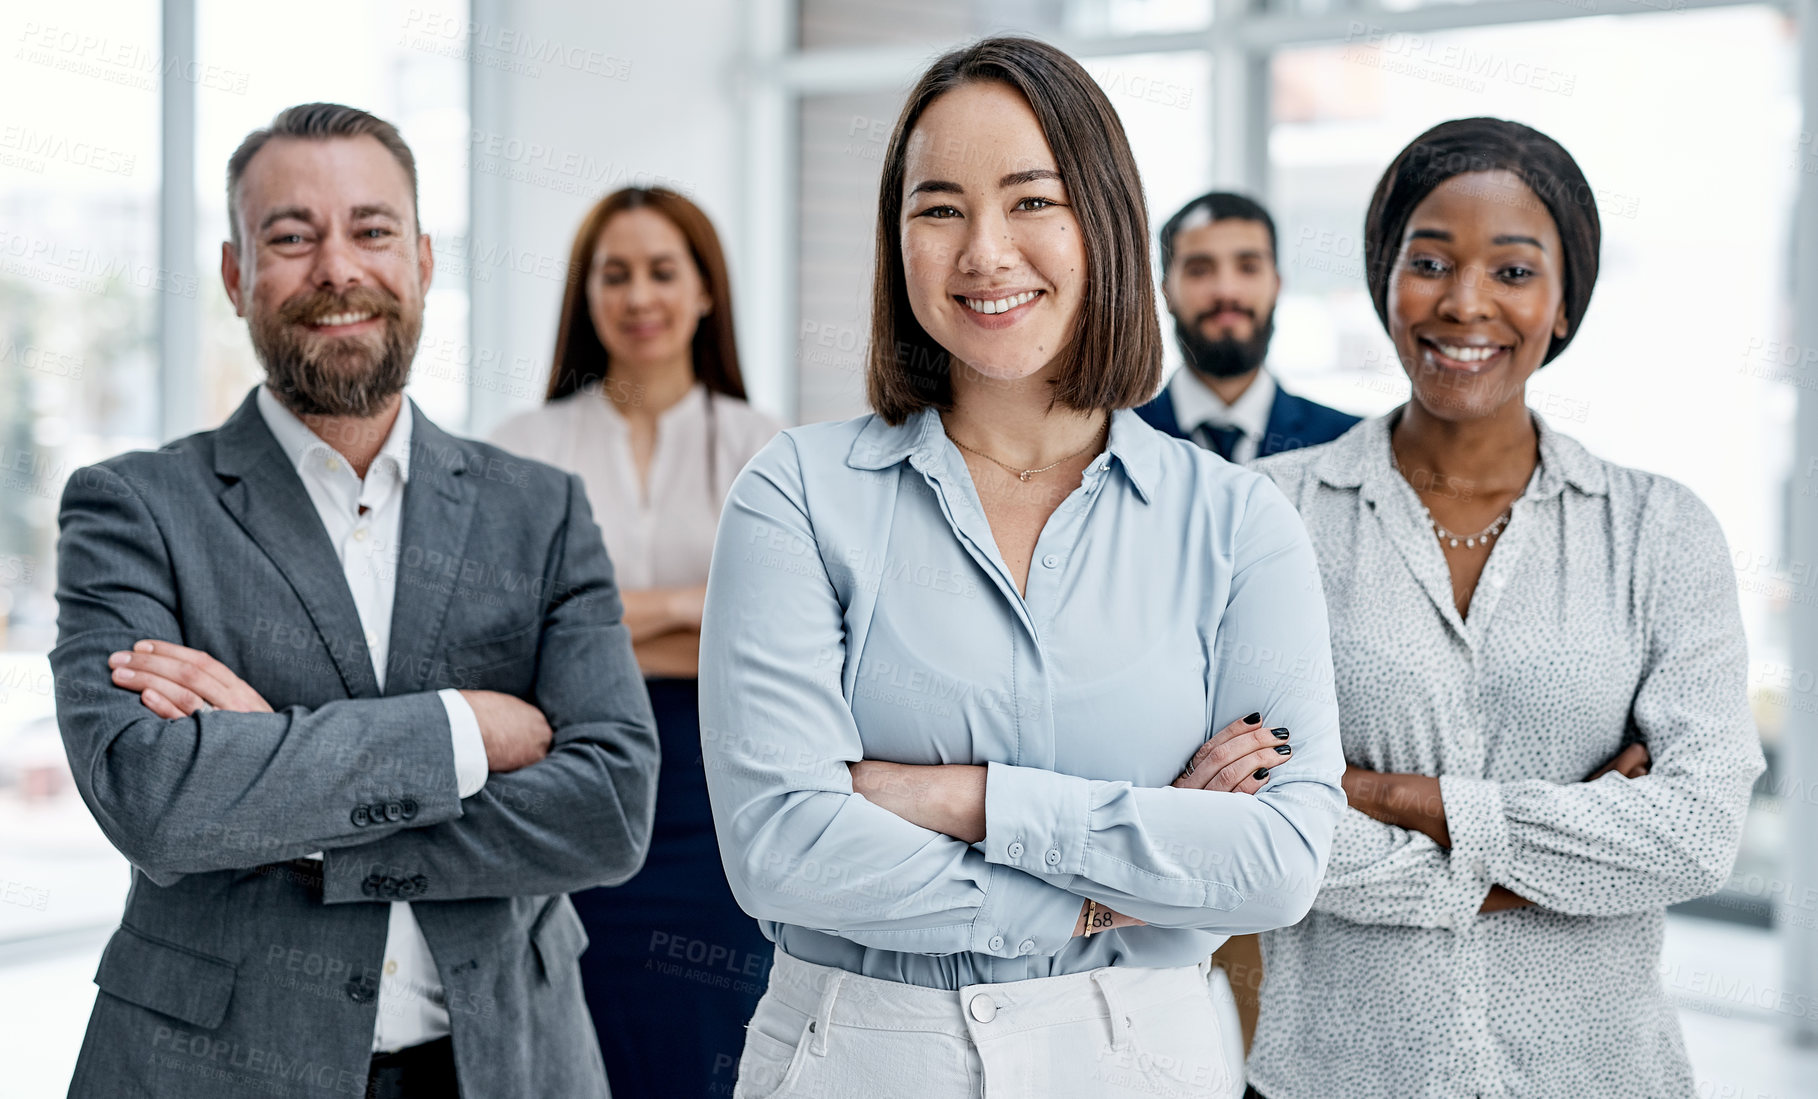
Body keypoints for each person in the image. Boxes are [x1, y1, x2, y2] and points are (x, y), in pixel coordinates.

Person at [698, 37, 1343, 1099]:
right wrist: (1120, 880)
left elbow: (1276, 862)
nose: (984, 252)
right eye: (939, 207)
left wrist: (963, 798)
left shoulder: (1239, 521)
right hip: (861, 1053)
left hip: (1142, 1055)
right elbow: (781, 848)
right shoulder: (798, 494)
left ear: (1105, 223)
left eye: (1031, 200)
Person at [50, 103, 659, 1099]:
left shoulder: (539, 511)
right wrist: (463, 733)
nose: (338, 268)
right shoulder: (132, 508)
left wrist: (289, 798)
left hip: (506, 1061)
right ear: (237, 275)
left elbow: (609, 809)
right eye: (291, 237)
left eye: (372, 231)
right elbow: (153, 798)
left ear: (421, 260)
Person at [1247, 118, 1765, 1098]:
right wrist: (1574, 852)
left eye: (1515, 271)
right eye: (1430, 260)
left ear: (1564, 304)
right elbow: (1251, 825)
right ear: (1384, 280)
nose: (1466, 303)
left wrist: (1382, 792)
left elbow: (1698, 831)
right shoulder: (1272, 515)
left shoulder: (1659, 531)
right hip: (1338, 1075)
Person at [489, 186, 780, 1099]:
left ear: (704, 292)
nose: (639, 295)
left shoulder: (766, 448)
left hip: (719, 785)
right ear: (586, 294)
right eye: (614, 274)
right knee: (582, 1039)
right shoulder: (523, 446)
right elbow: (510, 635)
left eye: (663, 270)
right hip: (574, 776)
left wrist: (596, 614)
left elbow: (776, 633)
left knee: (712, 1042)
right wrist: (696, 609)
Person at [1135, 192, 1358, 463]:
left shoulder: (1347, 444)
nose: (1226, 291)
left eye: (1248, 267)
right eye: (1199, 270)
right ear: (1166, 292)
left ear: (1276, 285)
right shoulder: (1112, 441)